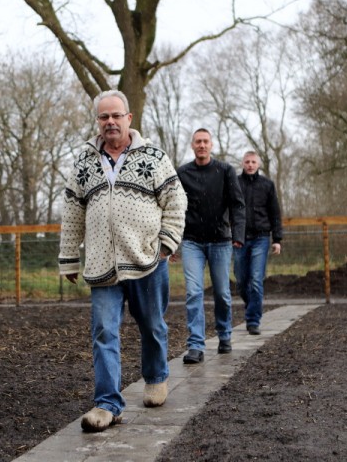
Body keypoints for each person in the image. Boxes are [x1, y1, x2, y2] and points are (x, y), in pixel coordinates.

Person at [58, 90, 187, 433]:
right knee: (103, 332)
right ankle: (107, 404)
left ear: (129, 118)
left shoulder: (154, 157)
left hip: (147, 259)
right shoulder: (84, 162)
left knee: (152, 325)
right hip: (101, 263)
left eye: (116, 116)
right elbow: (72, 210)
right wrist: (69, 257)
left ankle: (157, 376)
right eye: (104, 117)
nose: (110, 122)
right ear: (98, 122)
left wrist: (166, 243)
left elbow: (176, 201)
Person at [176, 128, 245, 364]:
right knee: (194, 292)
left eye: (206, 141)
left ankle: (225, 334)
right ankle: (196, 345)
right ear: (192, 145)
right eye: (198, 142)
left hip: (220, 240)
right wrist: (173, 242)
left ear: (211, 145)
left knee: (222, 294)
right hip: (191, 241)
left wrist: (238, 234)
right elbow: (173, 209)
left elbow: (237, 204)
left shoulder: (225, 171)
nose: (202, 145)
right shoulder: (182, 173)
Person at [233, 150, 283, 335]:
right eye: (247, 161)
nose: (250, 165)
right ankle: (252, 304)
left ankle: (253, 320)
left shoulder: (267, 185)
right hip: (239, 238)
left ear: (258, 164)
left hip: (261, 237)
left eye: (253, 161)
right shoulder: (235, 183)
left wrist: (277, 239)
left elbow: (275, 212)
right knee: (240, 280)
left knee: (255, 279)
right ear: (242, 163)